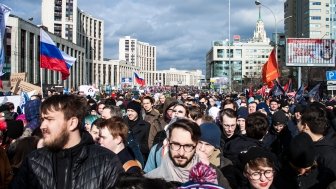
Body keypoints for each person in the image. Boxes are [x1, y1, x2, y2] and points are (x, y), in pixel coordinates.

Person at [10, 94, 124, 189]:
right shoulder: (33, 161)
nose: (42, 126)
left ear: (72, 123)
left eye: (49, 119)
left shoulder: (106, 161)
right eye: (42, 119)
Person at [145, 119, 229, 187]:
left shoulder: (213, 176)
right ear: (167, 143)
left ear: (195, 145)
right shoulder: (149, 181)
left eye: (188, 146)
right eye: (176, 144)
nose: (181, 153)